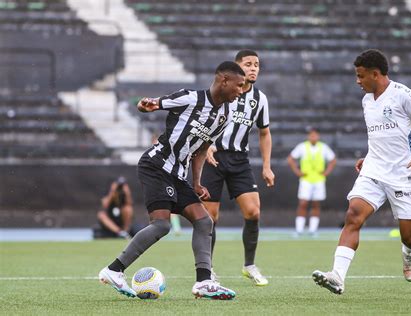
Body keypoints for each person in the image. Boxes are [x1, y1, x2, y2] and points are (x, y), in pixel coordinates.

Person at [98, 61, 246, 300]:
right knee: (162, 225)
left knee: (204, 222)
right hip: (156, 165)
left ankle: (203, 282)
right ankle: (114, 270)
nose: (241, 90)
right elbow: (151, 104)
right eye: (239, 85)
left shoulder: (224, 116)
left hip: (177, 174)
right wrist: (145, 106)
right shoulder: (189, 98)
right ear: (224, 81)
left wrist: (196, 183)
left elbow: (202, 149)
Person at [312, 49, 411, 294]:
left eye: (360, 76)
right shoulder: (367, 100)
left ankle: (409, 253)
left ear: (375, 74)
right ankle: (337, 276)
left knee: (410, 237)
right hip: (374, 170)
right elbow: (380, 135)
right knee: (353, 215)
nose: (357, 81)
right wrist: (368, 157)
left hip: (404, 174)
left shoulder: (403, 95)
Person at [201, 49, 274, 286]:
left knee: (253, 211)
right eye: (248, 64)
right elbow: (203, 119)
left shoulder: (260, 99)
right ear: (237, 66)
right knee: (209, 217)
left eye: (257, 64)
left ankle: (249, 265)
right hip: (213, 159)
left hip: (240, 160)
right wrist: (207, 144)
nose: (253, 68)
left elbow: (264, 133)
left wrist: (267, 166)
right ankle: (208, 269)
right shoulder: (223, 92)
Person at [287, 127, 337, 236]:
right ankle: (299, 229)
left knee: (316, 204)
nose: (313, 137)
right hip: (306, 180)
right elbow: (290, 159)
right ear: (308, 136)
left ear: (318, 136)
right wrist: (297, 171)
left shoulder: (323, 147)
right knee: (303, 203)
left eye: (315, 135)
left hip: (319, 180)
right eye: (311, 135)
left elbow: (333, 160)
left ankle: (313, 230)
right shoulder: (302, 147)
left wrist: (326, 172)